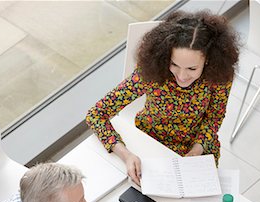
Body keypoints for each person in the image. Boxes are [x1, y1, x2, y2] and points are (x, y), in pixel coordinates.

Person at [86, 10, 240, 185]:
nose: (181, 76)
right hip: (150, 143)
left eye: (191, 69)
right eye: (174, 64)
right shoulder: (152, 73)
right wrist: (126, 155)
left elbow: (214, 116)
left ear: (208, 61)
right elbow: (96, 114)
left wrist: (197, 150)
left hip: (197, 145)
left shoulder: (218, 76)